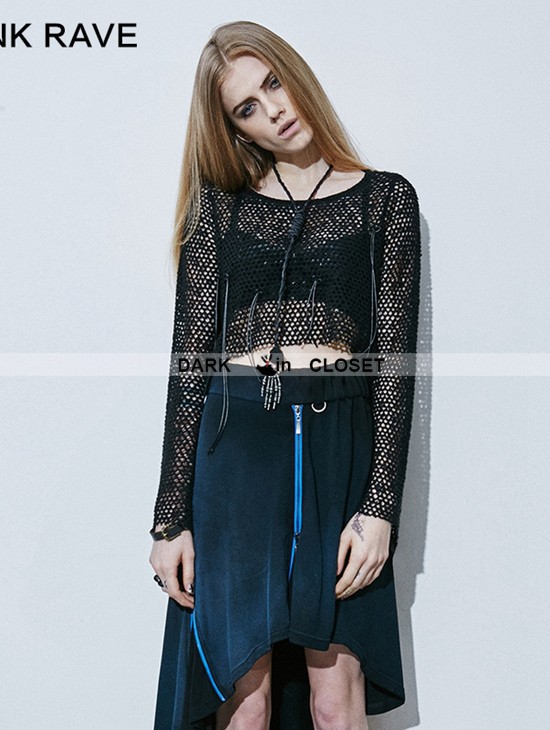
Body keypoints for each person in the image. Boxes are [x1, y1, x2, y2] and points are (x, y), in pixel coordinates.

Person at [149, 19, 421, 730]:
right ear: (234, 128)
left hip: (338, 451)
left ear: (294, 74)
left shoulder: (386, 200)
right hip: (237, 454)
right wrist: (169, 519)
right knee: (246, 704)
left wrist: (381, 508)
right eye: (247, 106)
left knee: (336, 701)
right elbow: (190, 363)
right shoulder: (220, 209)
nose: (272, 109)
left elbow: (393, 367)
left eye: (273, 83)